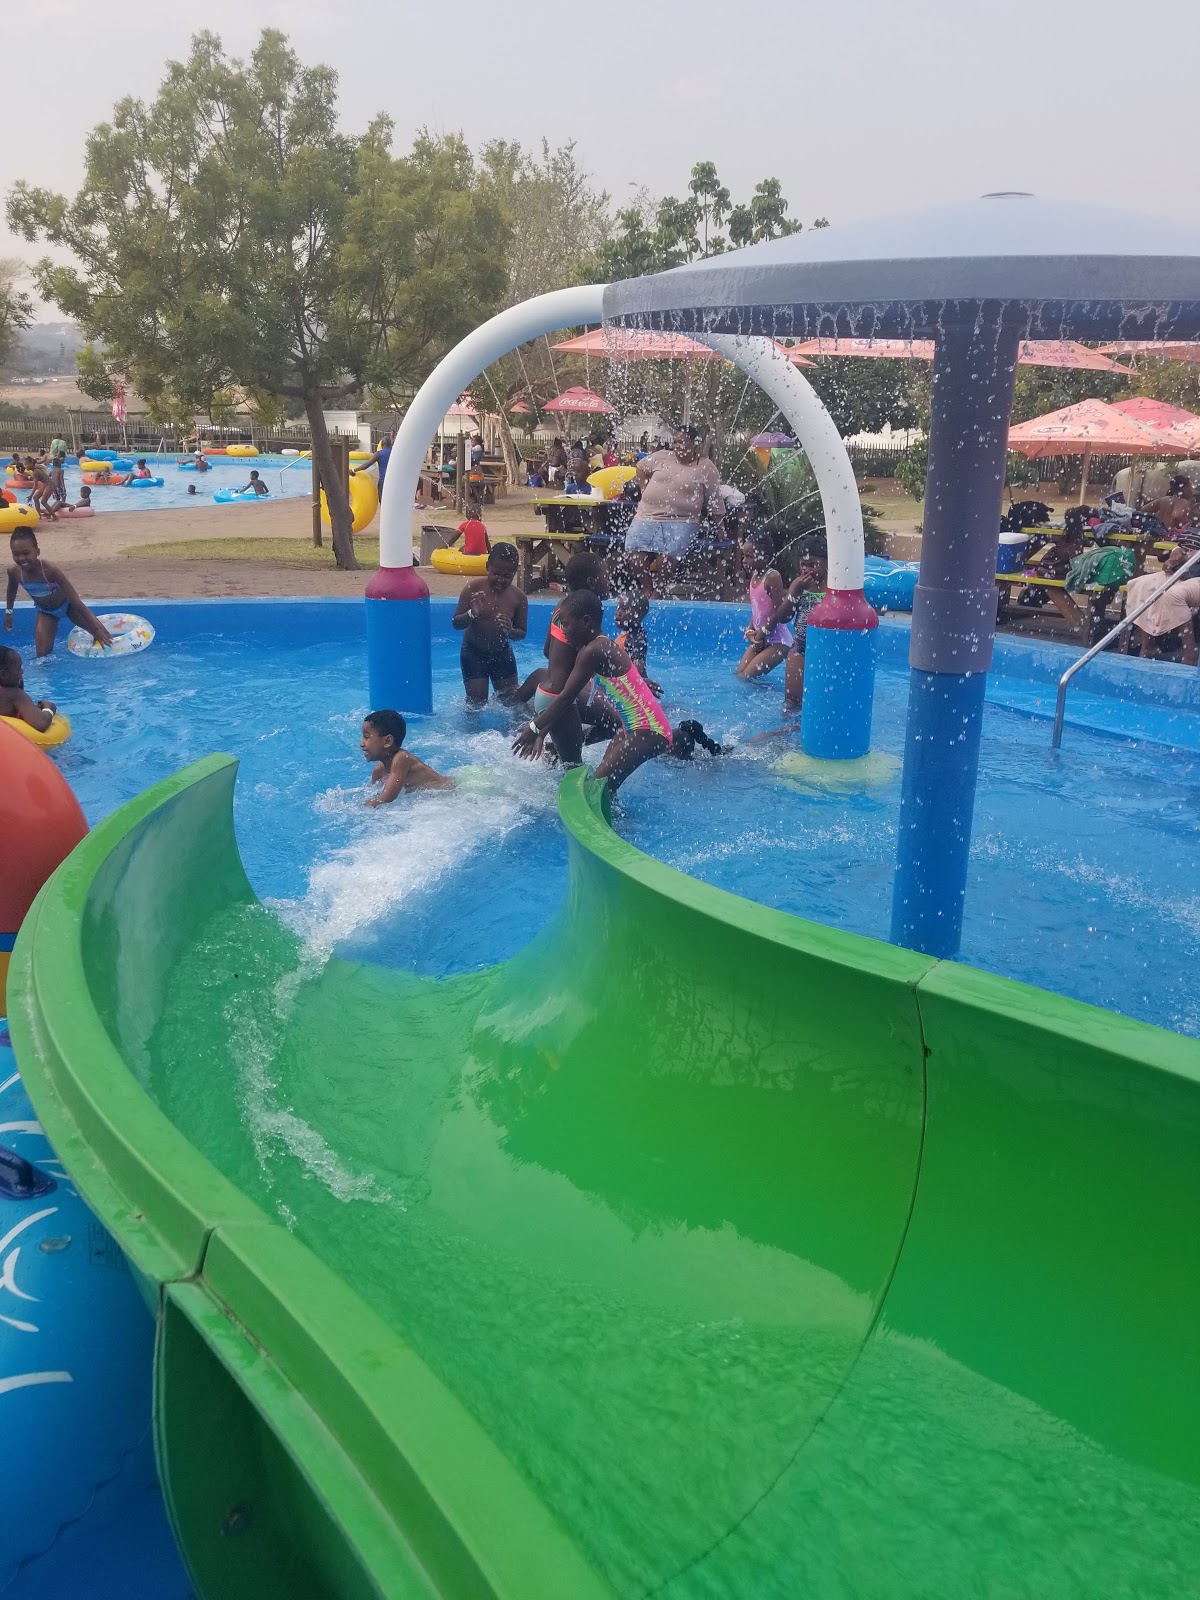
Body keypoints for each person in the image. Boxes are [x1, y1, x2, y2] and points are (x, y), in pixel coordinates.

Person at [512, 590, 723, 793]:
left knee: (599, 788)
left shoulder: (593, 651)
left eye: (566, 625)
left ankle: (615, 819)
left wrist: (535, 727)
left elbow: (566, 697)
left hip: (648, 731)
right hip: (631, 728)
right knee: (602, 787)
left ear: (586, 622)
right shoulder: (599, 646)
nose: (563, 631)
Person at [626, 424, 725, 596]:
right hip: (647, 516)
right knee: (634, 554)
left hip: (682, 520)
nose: (676, 446)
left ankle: (658, 592)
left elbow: (714, 500)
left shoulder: (706, 467)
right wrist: (644, 488)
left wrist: (720, 528)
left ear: (694, 444)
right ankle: (648, 589)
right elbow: (640, 467)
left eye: (682, 442)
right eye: (675, 442)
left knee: (665, 558)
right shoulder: (662, 456)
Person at [5, 529, 113, 656]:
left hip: (69, 606)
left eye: (26, 553)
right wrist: (9, 612)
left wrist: (96, 629)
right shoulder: (14, 571)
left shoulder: (49, 570)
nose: (21, 558)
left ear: (37, 551)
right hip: (46, 611)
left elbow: (75, 601)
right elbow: (11, 589)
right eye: (16, 554)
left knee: (103, 636)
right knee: (42, 655)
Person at [452, 544, 527, 704]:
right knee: (475, 705)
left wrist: (510, 630)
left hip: (502, 653)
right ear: (487, 567)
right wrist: (472, 614)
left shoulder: (518, 598)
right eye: (496, 573)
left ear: (514, 573)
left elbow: (522, 633)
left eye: (507, 576)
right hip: (473, 653)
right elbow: (456, 623)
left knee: (512, 704)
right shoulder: (473, 588)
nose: (500, 579)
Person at [1124, 545, 1200, 662]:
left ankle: (1190, 653)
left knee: (1175, 594)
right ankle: (1148, 647)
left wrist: (1186, 557)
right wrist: (1174, 555)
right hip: (1183, 570)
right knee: (1143, 585)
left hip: (1194, 573)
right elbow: (1175, 549)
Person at [360, 710, 454, 804]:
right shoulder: (378, 771)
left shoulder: (402, 759)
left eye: (367, 737)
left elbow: (385, 799)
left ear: (387, 741)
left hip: (451, 791)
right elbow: (376, 797)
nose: (361, 744)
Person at [736, 533, 793, 681]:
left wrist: (761, 634)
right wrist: (750, 631)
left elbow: (778, 612)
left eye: (749, 556)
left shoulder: (772, 577)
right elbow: (757, 610)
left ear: (765, 558)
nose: (744, 560)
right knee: (739, 675)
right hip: (761, 638)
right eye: (743, 556)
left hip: (779, 642)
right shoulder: (754, 577)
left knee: (746, 678)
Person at [782, 536, 829, 712]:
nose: (807, 570)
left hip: (825, 651)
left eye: (813, 565)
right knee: (791, 703)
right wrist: (794, 592)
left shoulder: (832, 589)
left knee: (819, 703)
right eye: (803, 564)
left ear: (826, 563)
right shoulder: (799, 587)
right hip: (799, 648)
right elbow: (783, 617)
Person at [0, 645, 58, 735]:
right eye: (19, 668)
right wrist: (49, 709)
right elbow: (41, 723)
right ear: (3, 675)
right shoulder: (15, 695)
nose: (22, 671)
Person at [352, 432, 393, 497]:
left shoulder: (378, 454)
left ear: (382, 445)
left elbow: (366, 465)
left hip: (384, 481)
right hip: (394, 481)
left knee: (383, 500)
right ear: (391, 444)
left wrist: (354, 470)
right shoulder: (396, 453)